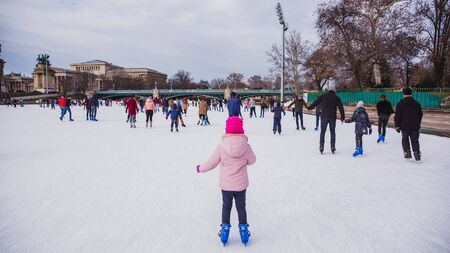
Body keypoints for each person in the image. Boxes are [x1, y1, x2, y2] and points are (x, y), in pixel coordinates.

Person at [196, 116, 256, 246]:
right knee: (241, 207)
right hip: (241, 185)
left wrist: (200, 168)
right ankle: (244, 231)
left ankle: (224, 231)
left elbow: (211, 163)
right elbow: (253, 161)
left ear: (227, 130)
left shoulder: (221, 147)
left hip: (226, 185)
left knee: (226, 207)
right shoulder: (246, 146)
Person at [307, 87, 345, 154]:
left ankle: (321, 146)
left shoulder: (324, 95)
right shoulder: (336, 97)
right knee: (332, 132)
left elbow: (316, 102)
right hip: (332, 117)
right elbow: (341, 108)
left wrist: (309, 107)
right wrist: (342, 117)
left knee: (323, 132)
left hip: (324, 116)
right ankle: (332, 146)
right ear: (334, 91)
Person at [394, 87, 423, 161]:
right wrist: (417, 122)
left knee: (405, 139)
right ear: (411, 93)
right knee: (415, 140)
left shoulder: (400, 103)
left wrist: (397, 125)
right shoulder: (416, 103)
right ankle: (416, 153)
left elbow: (398, 115)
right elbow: (420, 114)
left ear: (404, 94)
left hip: (404, 126)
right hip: (415, 126)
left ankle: (407, 153)